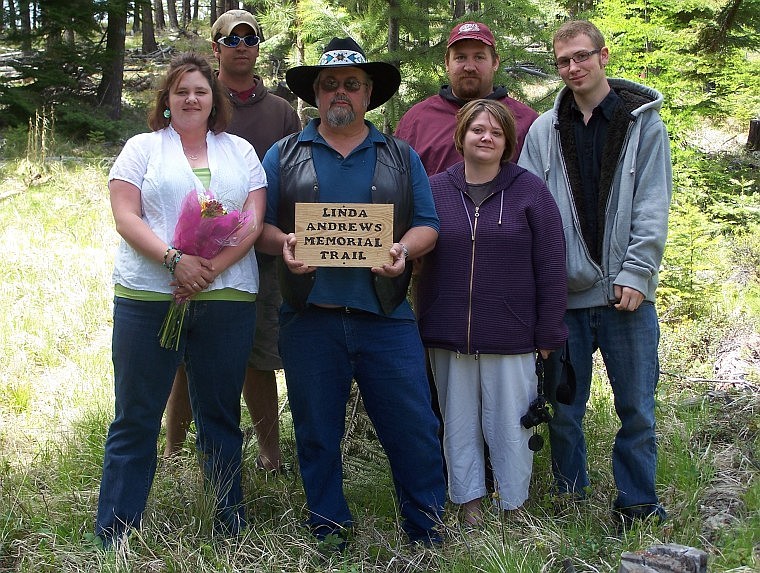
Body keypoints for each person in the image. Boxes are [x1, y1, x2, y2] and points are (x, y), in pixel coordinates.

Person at [256, 37, 446, 546]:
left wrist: (403, 249)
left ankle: (427, 529)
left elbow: (427, 224)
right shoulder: (285, 153)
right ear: (316, 94)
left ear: (369, 95)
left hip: (386, 316)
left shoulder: (400, 157)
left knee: (414, 428)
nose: (340, 92)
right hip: (309, 317)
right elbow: (261, 226)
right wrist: (286, 243)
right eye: (330, 84)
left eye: (351, 84)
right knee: (317, 433)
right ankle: (329, 532)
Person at [95, 52, 267, 546]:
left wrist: (209, 267)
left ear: (215, 101)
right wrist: (175, 261)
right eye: (181, 91)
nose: (191, 98)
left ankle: (227, 525)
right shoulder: (141, 148)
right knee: (136, 414)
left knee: (219, 415)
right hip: (149, 295)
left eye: (201, 91)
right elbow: (126, 216)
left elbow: (252, 221)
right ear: (166, 102)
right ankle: (116, 531)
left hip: (227, 297)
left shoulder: (240, 152)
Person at [517, 20, 672, 529]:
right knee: (565, 413)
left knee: (637, 410)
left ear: (603, 56)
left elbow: (652, 203)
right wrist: (540, 292)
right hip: (566, 297)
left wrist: (638, 271)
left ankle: (637, 505)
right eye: (563, 62)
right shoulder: (543, 130)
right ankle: (570, 499)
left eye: (582, 57)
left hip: (628, 295)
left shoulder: (642, 122)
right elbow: (532, 211)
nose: (573, 68)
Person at [416, 99, 567, 525]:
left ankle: (514, 505)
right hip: (447, 333)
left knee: (511, 427)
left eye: (496, 133)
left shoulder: (530, 191)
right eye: (477, 130)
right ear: (460, 137)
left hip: (513, 335)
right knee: (458, 424)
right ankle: (469, 505)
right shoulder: (433, 189)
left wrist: (549, 331)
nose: (486, 137)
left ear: (508, 143)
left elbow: (552, 264)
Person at [163, 9, 301, 473]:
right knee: (185, 355)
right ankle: (174, 452)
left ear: (258, 47)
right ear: (216, 48)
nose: (242, 45)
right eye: (231, 38)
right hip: (190, 259)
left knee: (259, 357)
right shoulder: (196, 98)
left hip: (261, 255)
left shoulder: (282, 111)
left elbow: (293, 180)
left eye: (250, 37)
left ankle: (270, 453)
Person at [395, 21, 539, 176]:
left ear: (495, 62)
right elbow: (398, 184)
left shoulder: (526, 122)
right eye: (460, 57)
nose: (469, 67)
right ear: (447, 63)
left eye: (479, 57)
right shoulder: (416, 121)